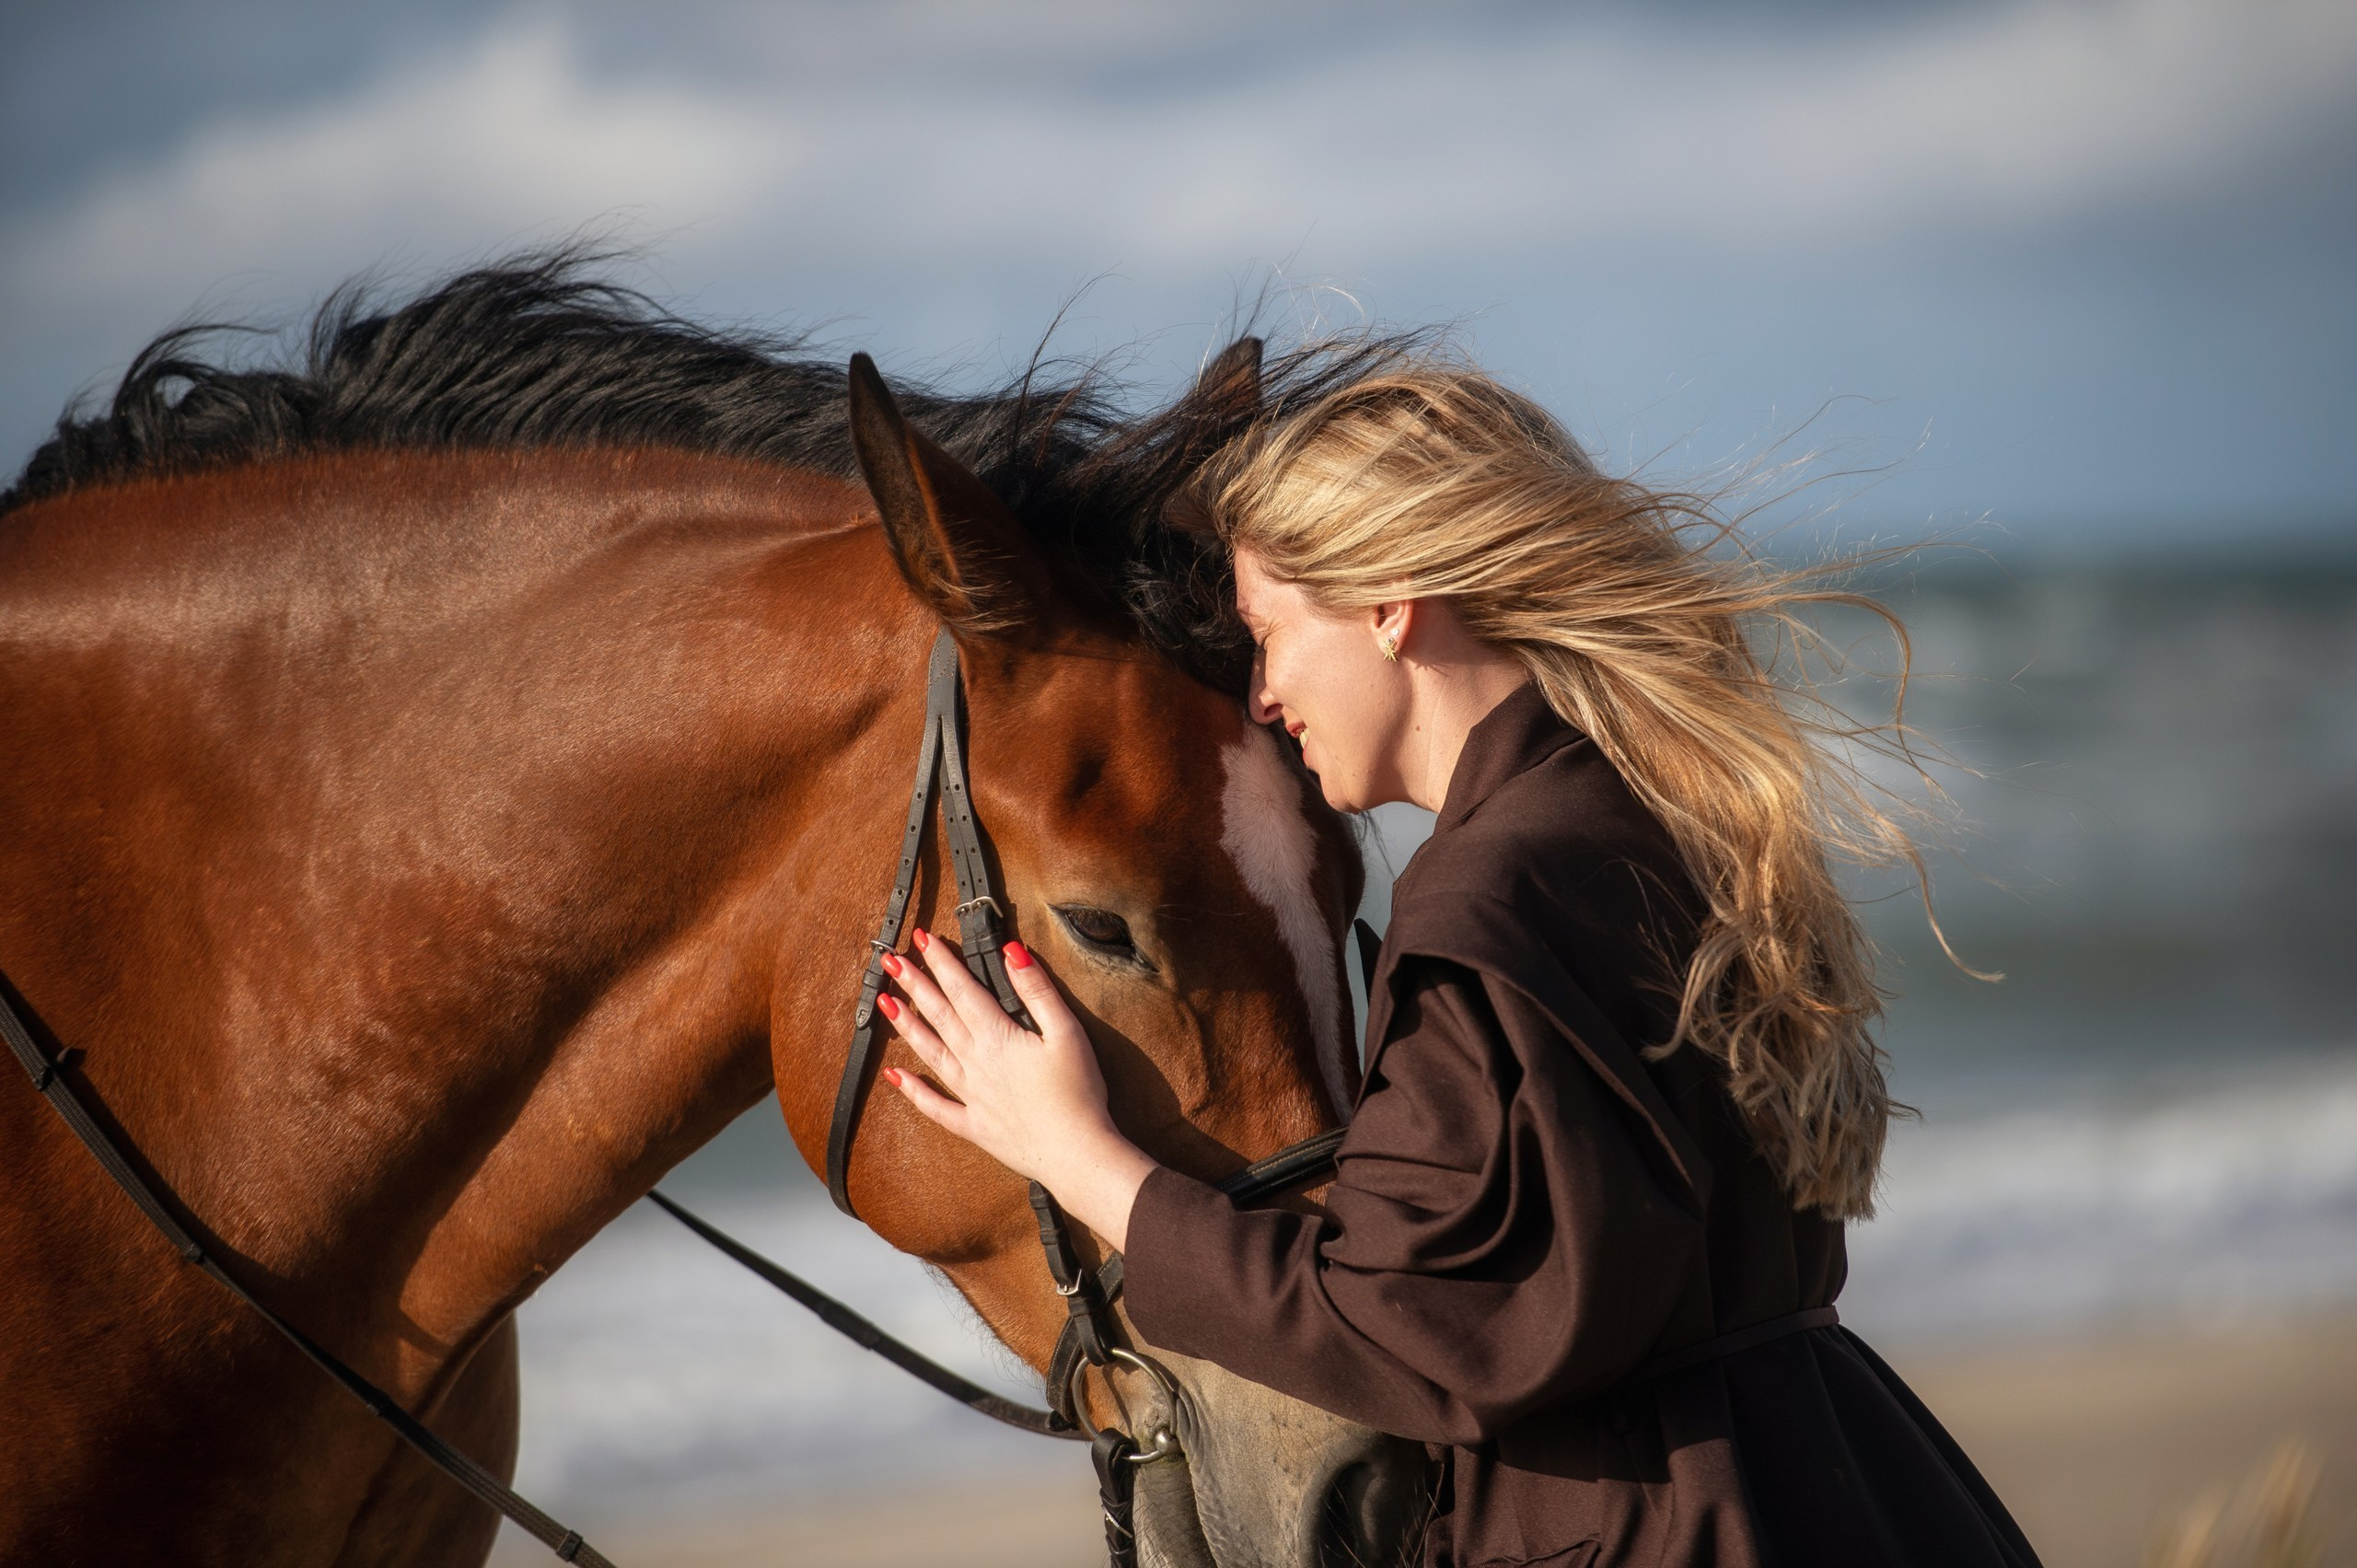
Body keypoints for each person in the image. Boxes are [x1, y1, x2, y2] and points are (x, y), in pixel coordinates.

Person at [871, 359, 2041, 1567]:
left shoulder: (1493, 894)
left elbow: (1413, 1333)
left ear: (1388, 604)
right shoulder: (1659, 820)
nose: (1264, 696)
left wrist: (1075, 1154)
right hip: (1843, 1478)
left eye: (1270, 634)